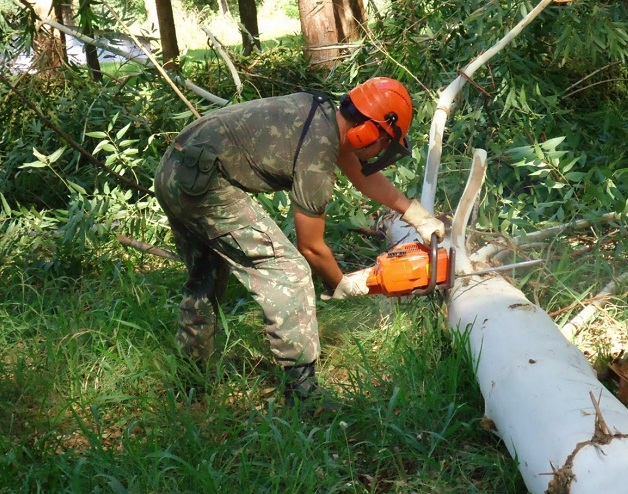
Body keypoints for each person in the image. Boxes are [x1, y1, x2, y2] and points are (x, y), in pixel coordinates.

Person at [153, 77, 445, 405]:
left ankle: (190, 381)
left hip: (174, 170)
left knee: (206, 275)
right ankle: (302, 391)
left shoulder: (322, 115)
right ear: (368, 131)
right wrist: (342, 283)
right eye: (385, 143)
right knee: (287, 269)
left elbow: (361, 173)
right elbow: (311, 247)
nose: (381, 152)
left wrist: (414, 213)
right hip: (204, 183)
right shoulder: (317, 153)